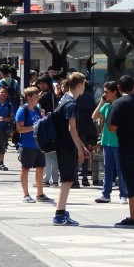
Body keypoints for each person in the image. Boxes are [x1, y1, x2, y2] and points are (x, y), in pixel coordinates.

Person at [106, 74, 134, 227]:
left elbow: (111, 128)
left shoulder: (119, 103)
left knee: (132, 182)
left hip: (128, 148)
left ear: (119, 88)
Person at [50, 72, 89, 227]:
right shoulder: (71, 104)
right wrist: (80, 149)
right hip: (66, 146)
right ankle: (59, 214)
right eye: (84, 84)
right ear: (79, 85)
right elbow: (72, 129)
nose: (84, 87)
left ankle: (61, 211)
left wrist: (82, 146)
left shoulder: (64, 100)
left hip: (63, 145)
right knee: (67, 180)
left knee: (67, 179)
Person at [93, 81, 127, 205]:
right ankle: (105, 194)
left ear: (115, 92)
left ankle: (123, 194)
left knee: (120, 169)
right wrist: (101, 102)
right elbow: (94, 116)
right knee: (107, 168)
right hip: (106, 141)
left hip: (118, 142)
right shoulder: (107, 106)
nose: (104, 94)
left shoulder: (120, 105)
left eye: (107, 92)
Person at [15, 87, 49, 203]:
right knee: (25, 169)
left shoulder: (37, 110)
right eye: (36, 96)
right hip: (26, 144)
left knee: (40, 168)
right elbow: (19, 129)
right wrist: (33, 127)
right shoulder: (22, 110)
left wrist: (43, 118)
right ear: (29, 97)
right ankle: (26, 195)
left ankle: (40, 194)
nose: (38, 98)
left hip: (38, 145)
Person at [36, 75, 60, 186]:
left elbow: (36, 103)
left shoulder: (46, 95)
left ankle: (47, 179)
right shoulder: (52, 95)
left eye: (43, 83)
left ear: (48, 84)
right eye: (39, 83)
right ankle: (54, 179)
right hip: (52, 126)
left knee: (48, 154)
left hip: (46, 126)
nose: (40, 86)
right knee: (51, 155)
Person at [0, 84, 16, 172]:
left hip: (4, 129)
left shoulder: (9, 105)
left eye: (5, 92)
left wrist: (5, 119)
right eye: (1, 92)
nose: (3, 94)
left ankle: (1, 163)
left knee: (2, 147)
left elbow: (12, 118)